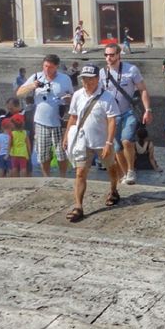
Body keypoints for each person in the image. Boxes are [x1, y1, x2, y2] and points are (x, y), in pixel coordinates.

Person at [61, 64, 117, 222]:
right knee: (80, 172)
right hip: (82, 141)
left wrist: (109, 142)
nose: (86, 82)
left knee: (111, 168)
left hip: (101, 141)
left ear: (97, 79)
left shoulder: (107, 97)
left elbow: (112, 121)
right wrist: (66, 136)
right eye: (84, 79)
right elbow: (73, 117)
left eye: (90, 79)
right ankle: (78, 206)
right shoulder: (78, 95)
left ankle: (113, 189)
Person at [100, 44, 152, 189]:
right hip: (112, 115)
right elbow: (99, 95)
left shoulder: (131, 70)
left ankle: (131, 170)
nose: (108, 58)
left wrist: (148, 109)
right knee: (117, 147)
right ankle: (125, 174)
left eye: (111, 55)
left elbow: (142, 89)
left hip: (128, 111)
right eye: (106, 55)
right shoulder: (102, 73)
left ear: (118, 55)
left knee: (127, 140)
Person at [16, 55, 74, 178]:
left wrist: (69, 99)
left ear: (56, 67)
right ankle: (46, 177)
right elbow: (19, 93)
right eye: (45, 66)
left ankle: (62, 177)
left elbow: (73, 96)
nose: (47, 69)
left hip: (59, 121)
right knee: (43, 154)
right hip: (40, 121)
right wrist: (32, 86)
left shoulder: (65, 79)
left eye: (50, 67)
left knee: (61, 153)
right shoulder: (36, 77)